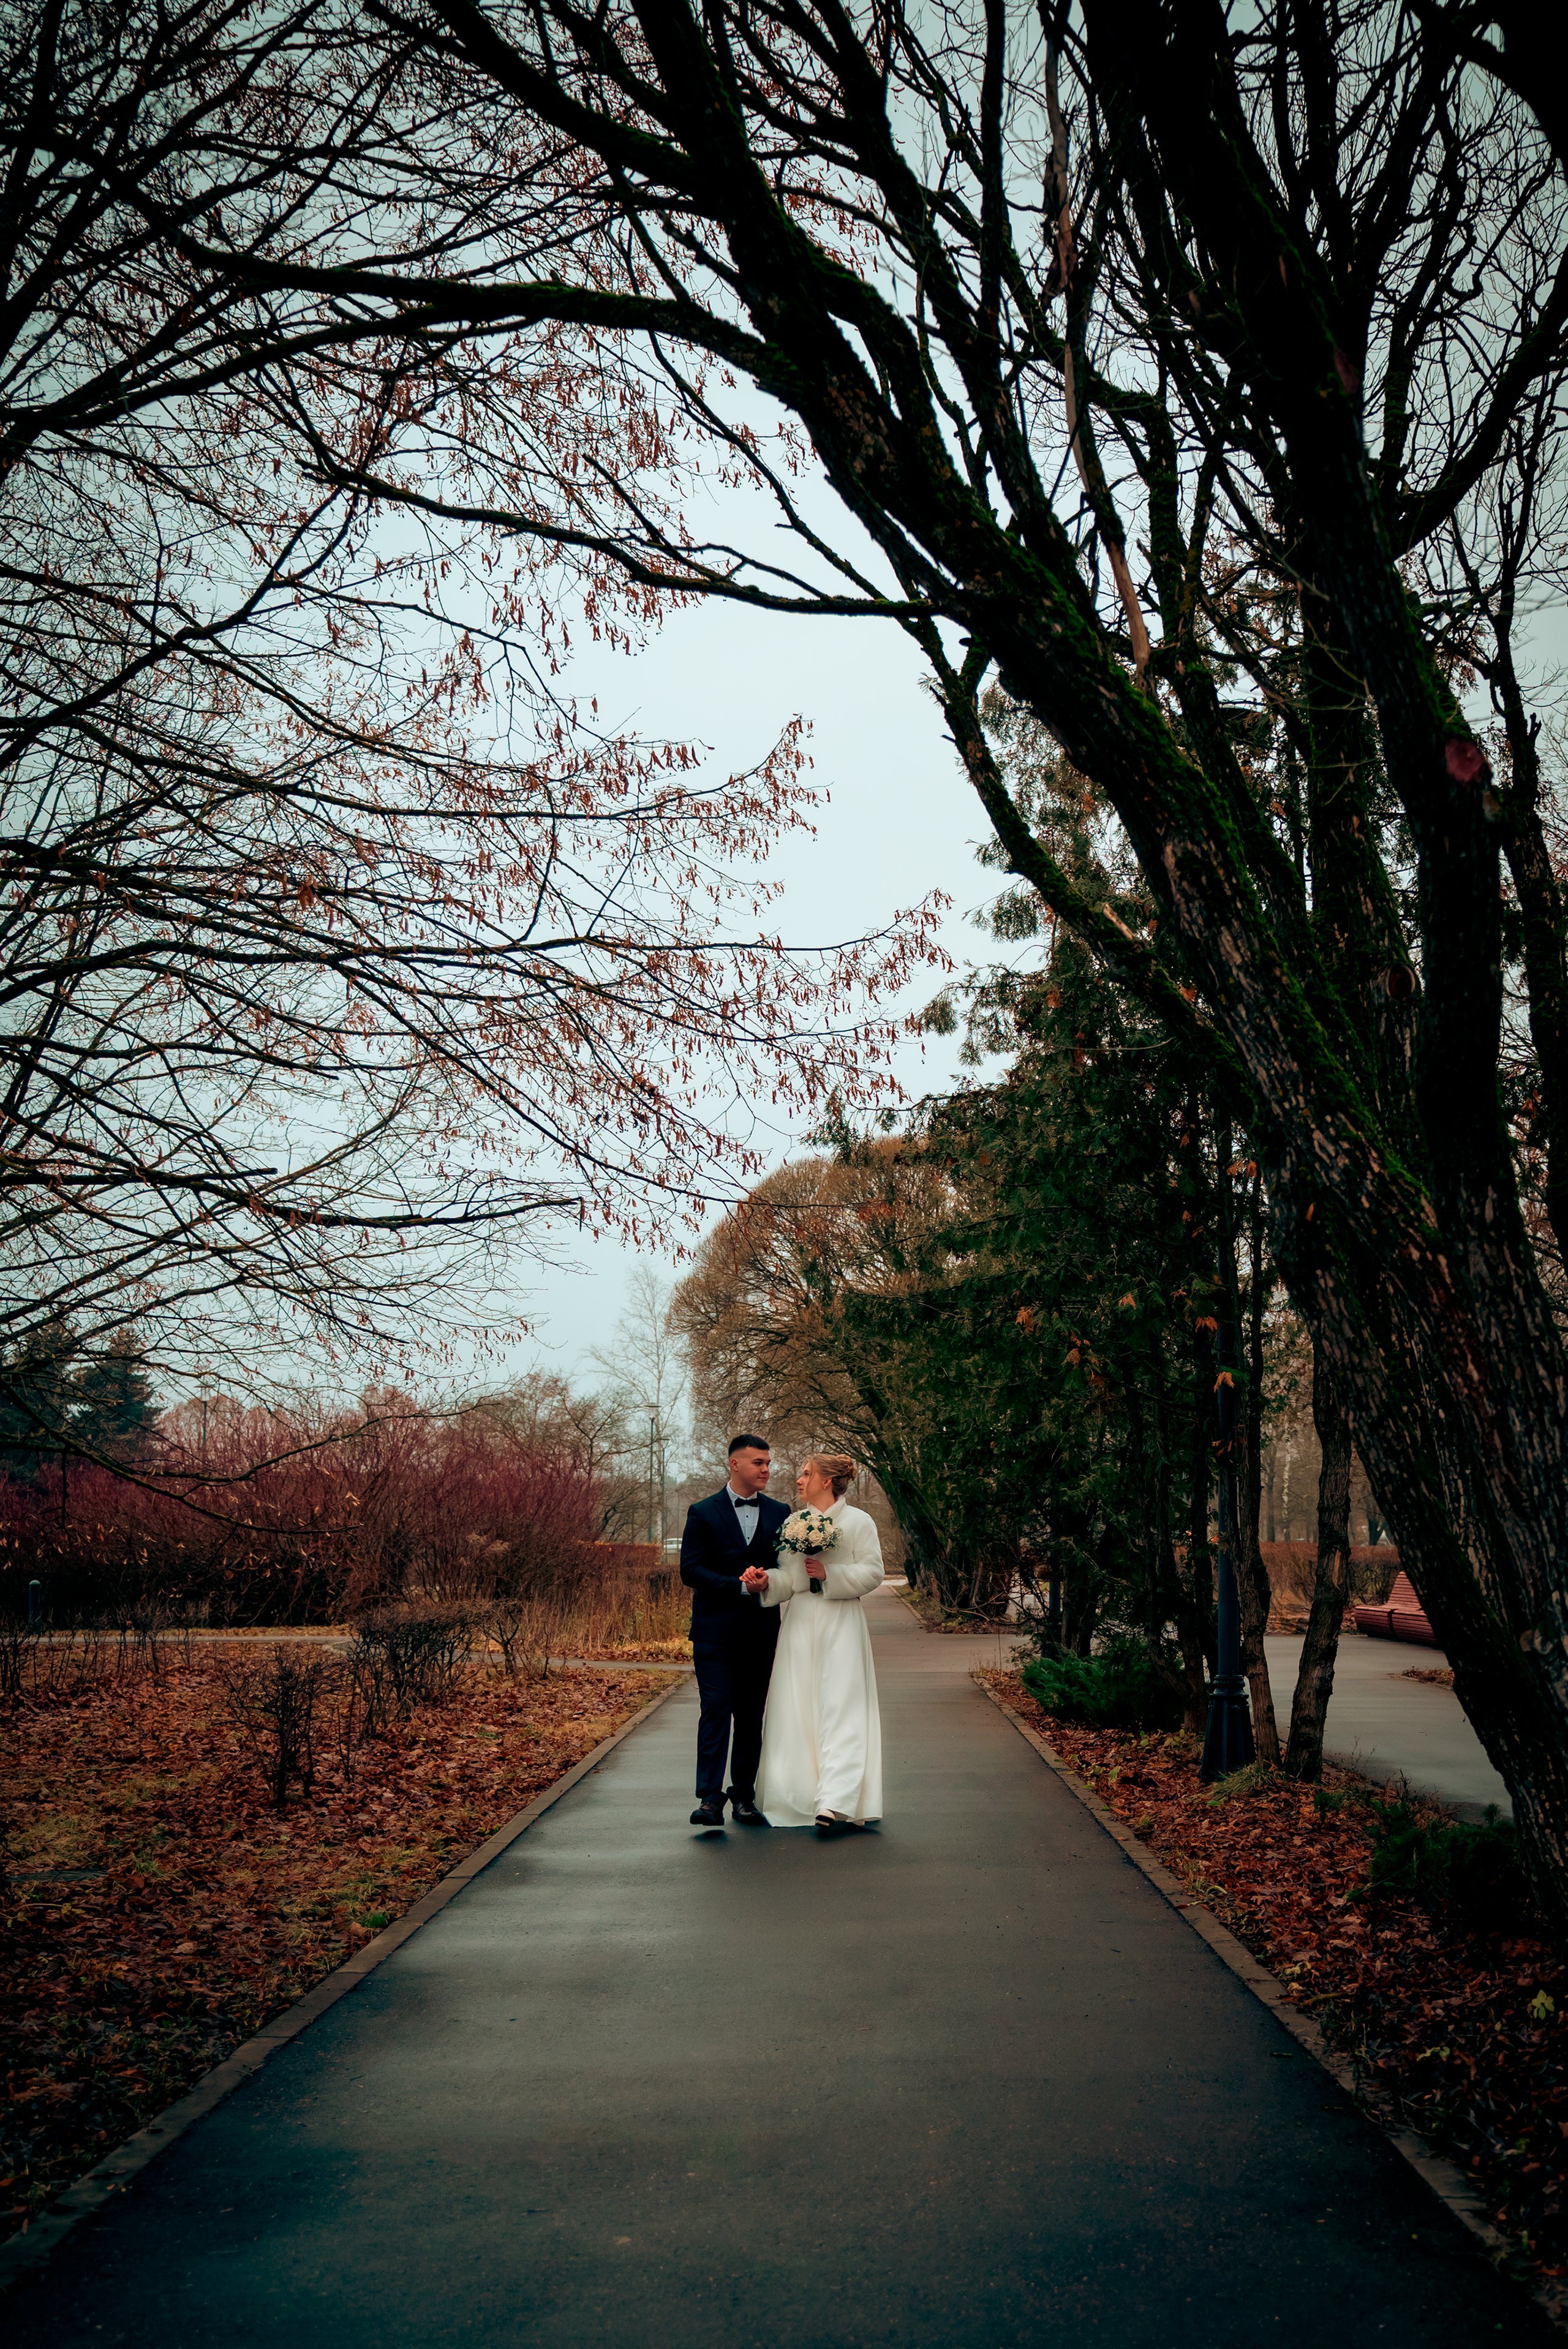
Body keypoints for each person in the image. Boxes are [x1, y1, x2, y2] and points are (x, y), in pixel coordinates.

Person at [755, 1452, 884, 1833]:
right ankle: (796, 1794)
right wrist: (767, 1583)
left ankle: (836, 1799)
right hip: (800, 1622)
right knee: (795, 1705)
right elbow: (789, 1578)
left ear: (826, 1481)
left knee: (843, 1707)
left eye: (806, 1473)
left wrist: (831, 1574)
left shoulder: (859, 1521)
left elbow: (873, 1572)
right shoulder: (793, 1523)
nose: (799, 1479)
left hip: (841, 1621)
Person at [678, 1433, 790, 1828]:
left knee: (750, 1716)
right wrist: (739, 1586)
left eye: (768, 1463)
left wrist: (768, 1580)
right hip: (715, 1633)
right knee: (715, 1711)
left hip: (761, 1632)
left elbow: (787, 1567)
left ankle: (744, 1797)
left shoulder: (781, 1513)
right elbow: (690, 1570)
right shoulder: (702, 1512)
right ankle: (710, 1799)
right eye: (758, 1462)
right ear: (735, 1464)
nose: (766, 1469)